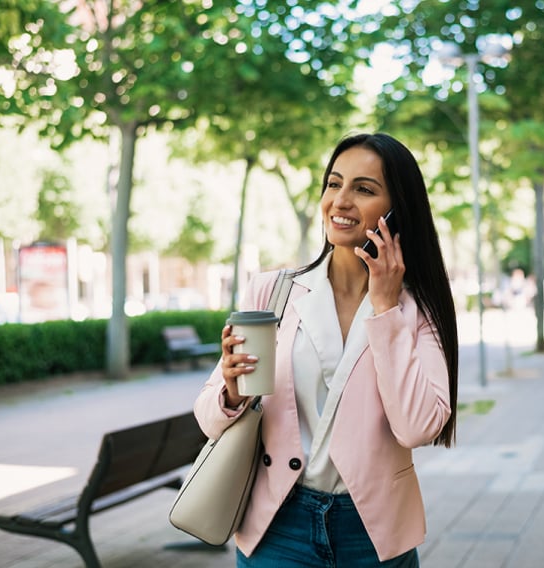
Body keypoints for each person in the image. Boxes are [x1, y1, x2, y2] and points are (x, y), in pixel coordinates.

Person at [193, 132, 459, 567]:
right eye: (334, 184)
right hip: (279, 525)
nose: (341, 200)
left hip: (372, 532)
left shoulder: (417, 310)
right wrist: (231, 390)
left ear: (397, 210)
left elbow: (418, 428)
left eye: (364, 189)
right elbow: (207, 416)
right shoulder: (272, 291)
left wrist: (386, 308)